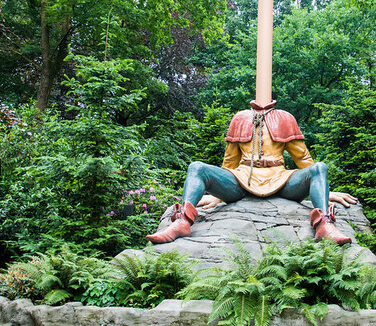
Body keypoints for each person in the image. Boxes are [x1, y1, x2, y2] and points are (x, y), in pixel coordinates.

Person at [147, 100, 356, 245]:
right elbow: (229, 163)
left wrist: (324, 192)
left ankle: (325, 225)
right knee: (196, 167)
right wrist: (218, 196)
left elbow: (303, 160)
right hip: (241, 180)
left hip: (280, 180)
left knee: (320, 167)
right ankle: (182, 222)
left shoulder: (285, 118)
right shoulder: (240, 118)